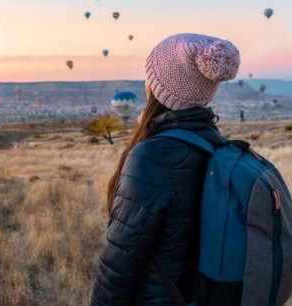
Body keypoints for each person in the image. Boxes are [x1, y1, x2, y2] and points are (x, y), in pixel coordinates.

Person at [90, 33, 241, 306]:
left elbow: (119, 263)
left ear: (159, 86)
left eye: (150, 75)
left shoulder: (153, 156)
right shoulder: (214, 143)